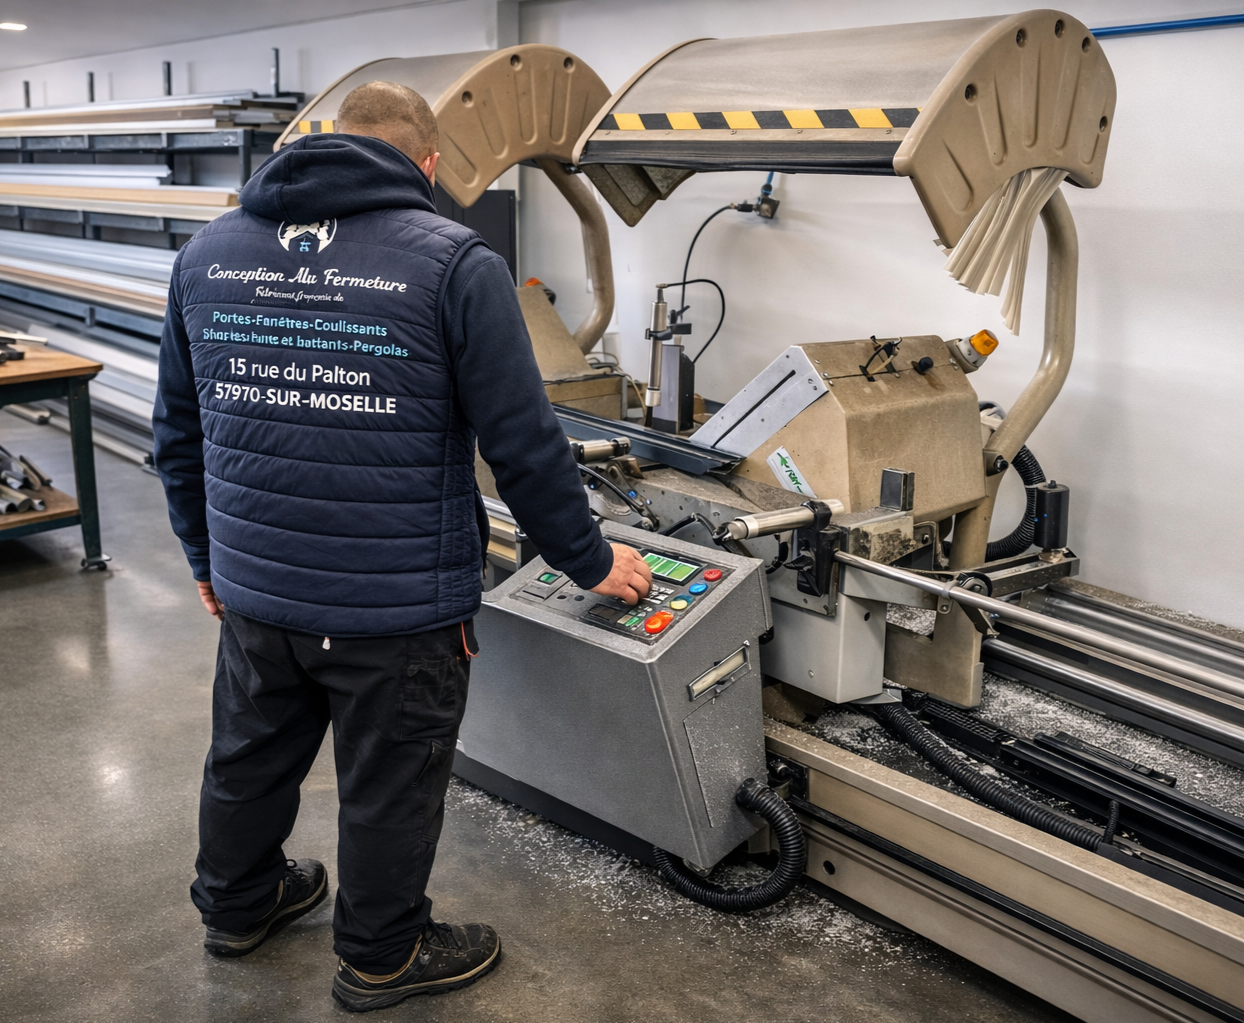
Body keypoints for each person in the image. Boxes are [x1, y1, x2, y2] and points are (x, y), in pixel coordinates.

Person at [152, 80, 651, 1013]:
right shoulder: (456, 263)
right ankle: (382, 955)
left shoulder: (208, 253)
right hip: (396, 610)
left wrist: (202, 559)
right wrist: (589, 559)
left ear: (328, 143)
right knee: (387, 781)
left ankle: (236, 905)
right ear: (426, 166)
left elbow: (176, 435)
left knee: (248, 755)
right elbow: (524, 443)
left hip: (258, 588)